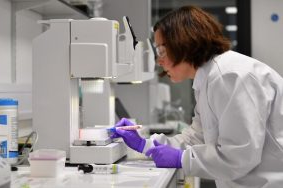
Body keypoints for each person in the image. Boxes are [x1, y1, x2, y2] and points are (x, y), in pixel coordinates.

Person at [110, 5, 283, 188]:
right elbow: (196, 138)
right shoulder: (208, 79)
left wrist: (182, 159)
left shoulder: (229, 76)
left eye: (161, 50)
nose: (159, 60)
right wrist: (146, 144)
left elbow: (238, 157)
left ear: (183, 42)